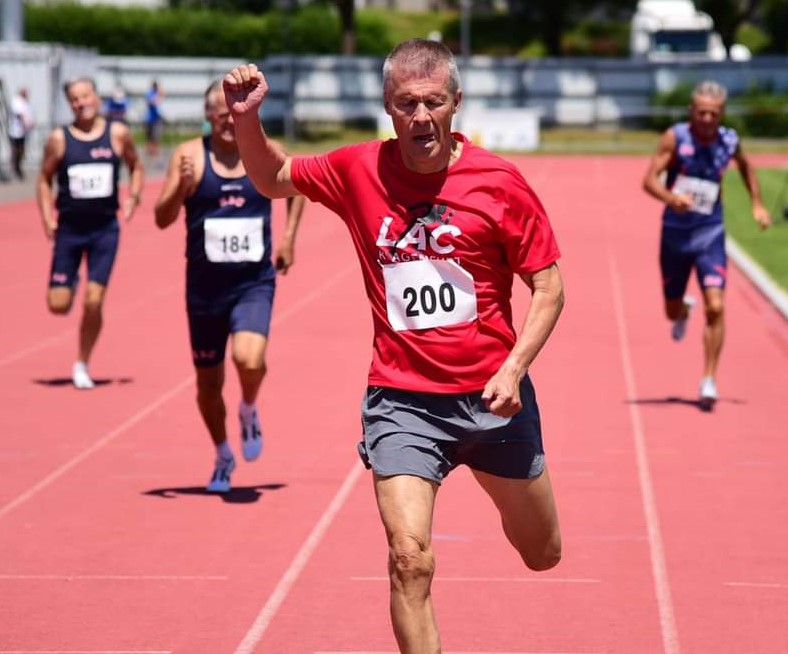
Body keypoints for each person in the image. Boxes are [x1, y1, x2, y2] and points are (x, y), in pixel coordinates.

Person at [224, 38, 564, 651]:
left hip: (494, 397)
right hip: (403, 401)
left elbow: (549, 287)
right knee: (409, 559)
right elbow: (274, 177)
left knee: (543, 554)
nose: (421, 116)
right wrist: (246, 119)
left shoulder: (500, 182)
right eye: (407, 103)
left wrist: (514, 369)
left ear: (456, 104)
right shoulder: (359, 170)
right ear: (388, 105)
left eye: (434, 102)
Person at [154, 80, 305, 493]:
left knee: (249, 359)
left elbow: (298, 185)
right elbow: (161, 217)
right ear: (207, 115)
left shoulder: (260, 149)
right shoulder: (188, 156)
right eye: (218, 111)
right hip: (203, 290)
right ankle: (222, 452)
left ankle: (249, 408)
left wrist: (289, 238)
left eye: (231, 110)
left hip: (252, 283)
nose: (226, 117)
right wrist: (180, 189)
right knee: (207, 385)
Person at [642, 80, 771, 407]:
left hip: (710, 232)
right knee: (670, 312)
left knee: (716, 306)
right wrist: (672, 198)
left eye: (713, 113)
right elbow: (648, 180)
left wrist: (757, 203)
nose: (707, 119)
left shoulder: (729, 140)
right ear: (691, 111)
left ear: (722, 113)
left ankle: (708, 378)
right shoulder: (676, 137)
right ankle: (683, 309)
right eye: (701, 112)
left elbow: (746, 167)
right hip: (675, 233)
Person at [36, 77, 145, 389]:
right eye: (74, 99)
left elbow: (136, 166)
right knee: (58, 304)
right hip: (69, 230)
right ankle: (67, 283)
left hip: (104, 230)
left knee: (94, 301)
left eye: (85, 96)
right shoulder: (59, 138)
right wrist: (47, 217)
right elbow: (44, 179)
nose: (81, 103)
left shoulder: (118, 133)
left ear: (97, 97)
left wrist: (134, 197)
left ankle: (82, 363)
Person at [8, 87, 34, 180]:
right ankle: (15, 169)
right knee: (16, 151)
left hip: (23, 132)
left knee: (21, 151)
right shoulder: (16, 101)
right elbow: (20, 114)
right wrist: (26, 123)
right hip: (16, 132)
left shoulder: (25, 102)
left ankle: (17, 169)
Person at [144, 80, 164, 164]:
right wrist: (157, 95)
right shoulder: (150, 93)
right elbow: (152, 102)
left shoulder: (157, 93)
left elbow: (163, 94)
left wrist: (160, 91)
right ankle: (150, 152)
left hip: (156, 118)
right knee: (149, 136)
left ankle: (154, 152)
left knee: (156, 135)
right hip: (149, 118)